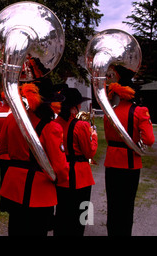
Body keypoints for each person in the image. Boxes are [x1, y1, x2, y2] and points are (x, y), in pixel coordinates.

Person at [0, 82, 69, 236]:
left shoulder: (12, 118)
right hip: (39, 190)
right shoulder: (52, 127)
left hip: (14, 186)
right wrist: (61, 180)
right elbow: (60, 168)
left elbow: (2, 148)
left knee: (16, 231)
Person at [104, 66, 155, 236]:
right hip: (130, 163)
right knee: (126, 206)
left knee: (113, 204)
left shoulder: (108, 113)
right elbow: (149, 140)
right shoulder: (140, 111)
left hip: (111, 161)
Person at [54, 87, 97, 236]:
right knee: (82, 215)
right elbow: (89, 152)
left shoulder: (54, 124)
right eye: (78, 104)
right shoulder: (81, 126)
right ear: (74, 107)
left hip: (61, 174)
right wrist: (94, 136)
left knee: (62, 213)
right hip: (80, 176)